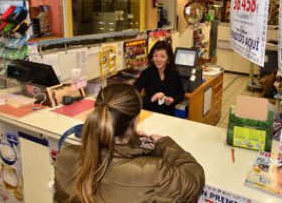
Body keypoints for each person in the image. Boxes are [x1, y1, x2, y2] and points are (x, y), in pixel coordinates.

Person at [54, 84, 204, 203]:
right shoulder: (154, 173)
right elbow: (194, 176)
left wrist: (133, 141)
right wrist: (163, 143)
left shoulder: (65, 156)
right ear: (135, 120)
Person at [135, 40, 184, 116]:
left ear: (168, 59)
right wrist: (152, 98)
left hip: (169, 115)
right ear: (152, 57)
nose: (158, 60)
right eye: (155, 56)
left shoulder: (174, 73)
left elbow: (181, 94)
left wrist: (173, 100)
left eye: (162, 56)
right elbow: (133, 95)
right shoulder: (147, 73)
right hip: (150, 114)